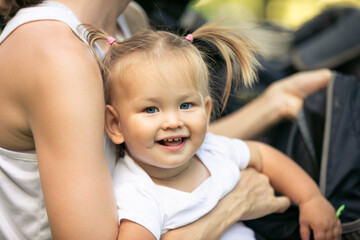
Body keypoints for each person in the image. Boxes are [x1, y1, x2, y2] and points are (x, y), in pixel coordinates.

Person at [0, 0, 291, 239]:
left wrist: (272, 105)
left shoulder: (129, 20)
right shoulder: (55, 52)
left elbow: (163, 147)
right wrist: (233, 204)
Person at [86, 21, 342, 240]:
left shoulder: (212, 150)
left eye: (186, 105)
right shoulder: (138, 192)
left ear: (207, 112)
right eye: (151, 110)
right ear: (116, 125)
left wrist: (311, 199)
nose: (173, 122)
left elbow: (265, 157)